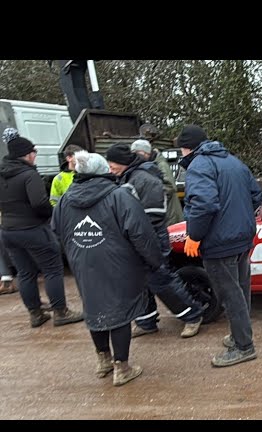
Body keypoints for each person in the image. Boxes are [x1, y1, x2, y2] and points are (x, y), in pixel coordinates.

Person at [52, 151, 162, 386]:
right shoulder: (119, 196)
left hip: (83, 263)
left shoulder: (65, 200)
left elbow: (57, 229)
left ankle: (103, 360)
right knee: (119, 311)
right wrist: (155, 260)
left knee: (94, 308)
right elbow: (140, 233)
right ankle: (122, 367)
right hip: (118, 263)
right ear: (103, 171)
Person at [177, 124, 262, 367]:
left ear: (186, 148)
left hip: (218, 242)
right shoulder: (233, 161)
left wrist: (194, 235)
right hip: (242, 239)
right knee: (241, 290)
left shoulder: (199, 166)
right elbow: (256, 196)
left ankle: (244, 346)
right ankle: (240, 334)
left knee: (229, 294)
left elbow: (203, 205)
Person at [105, 143, 204, 338]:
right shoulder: (128, 176)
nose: (110, 168)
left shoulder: (144, 178)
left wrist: (130, 228)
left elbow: (153, 215)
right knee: (138, 280)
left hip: (151, 238)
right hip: (136, 238)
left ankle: (192, 315)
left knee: (161, 279)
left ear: (123, 162)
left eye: (112, 164)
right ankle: (146, 321)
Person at [0, 128, 83, 327]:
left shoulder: (2, 174)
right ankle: (60, 312)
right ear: (27, 154)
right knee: (53, 270)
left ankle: (36, 314)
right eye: (34, 152)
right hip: (33, 229)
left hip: (8, 231)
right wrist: (50, 218)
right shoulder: (29, 174)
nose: (35, 156)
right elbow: (39, 203)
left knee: (25, 273)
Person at [130, 139, 184, 226]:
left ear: (147, 153)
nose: (136, 156)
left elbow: (170, 186)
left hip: (169, 214)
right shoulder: (144, 164)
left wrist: (151, 194)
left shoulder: (160, 164)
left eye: (138, 153)